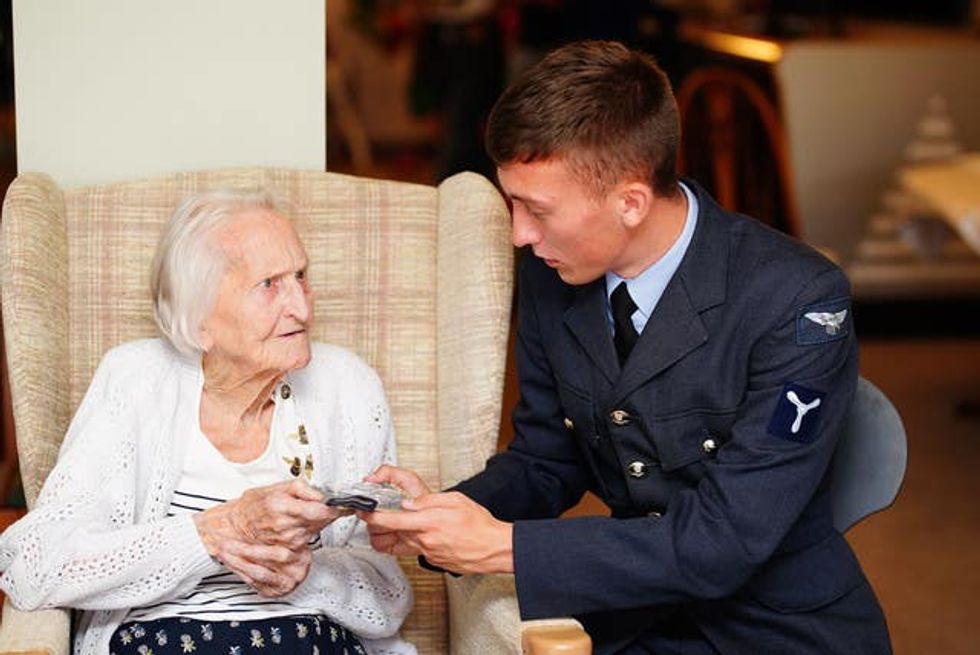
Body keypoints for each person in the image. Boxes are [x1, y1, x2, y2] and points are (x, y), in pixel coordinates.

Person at [360, 40, 892, 654]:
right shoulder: (552, 276)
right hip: (637, 615)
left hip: (781, 629)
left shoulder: (798, 299)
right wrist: (438, 516)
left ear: (631, 202)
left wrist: (500, 545)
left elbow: (726, 540)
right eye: (512, 204)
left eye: (537, 209)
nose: (519, 234)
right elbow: (546, 460)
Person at [0, 189, 415, 655]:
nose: (301, 306)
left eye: (301, 275)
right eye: (269, 285)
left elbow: (390, 600)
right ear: (200, 322)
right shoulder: (136, 381)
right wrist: (212, 534)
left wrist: (308, 574)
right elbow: (33, 568)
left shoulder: (348, 387)